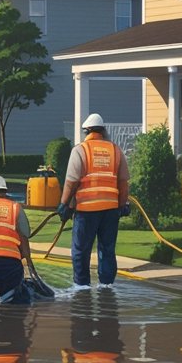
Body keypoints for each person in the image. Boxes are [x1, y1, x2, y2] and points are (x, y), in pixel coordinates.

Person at [57, 113, 131, 291]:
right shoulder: (115, 150)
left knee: (81, 250)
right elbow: (123, 182)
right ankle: (106, 285)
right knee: (107, 249)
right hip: (111, 210)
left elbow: (71, 181)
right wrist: (123, 204)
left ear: (87, 131)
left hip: (86, 209)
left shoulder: (80, 150)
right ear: (103, 131)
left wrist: (64, 203)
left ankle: (82, 286)